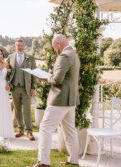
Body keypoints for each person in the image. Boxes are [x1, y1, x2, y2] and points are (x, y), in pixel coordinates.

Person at [28, 34, 80, 167]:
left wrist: (45, 77)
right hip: (71, 99)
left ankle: (44, 162)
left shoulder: (64, 56)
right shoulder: (74, 53)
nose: (55, 50)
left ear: (58, 44)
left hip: (60, 99)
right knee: (70, 130)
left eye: (54, 47)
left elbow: (57, 80)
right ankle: (73, 159)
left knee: (45, 128)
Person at [7, 38, 36, 141]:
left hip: (26, 88)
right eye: (18, 45)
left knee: (27, 110)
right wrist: (8, 83)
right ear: (15, 46)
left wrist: (33, 87)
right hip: (15, 88)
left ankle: (29, 131)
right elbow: (7, 73)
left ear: (24, 46)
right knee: (17, 110)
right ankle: (20, 130)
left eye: (21, 45)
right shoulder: (10, 57)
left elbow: (34, 74)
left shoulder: (30, 58)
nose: (20, 47)